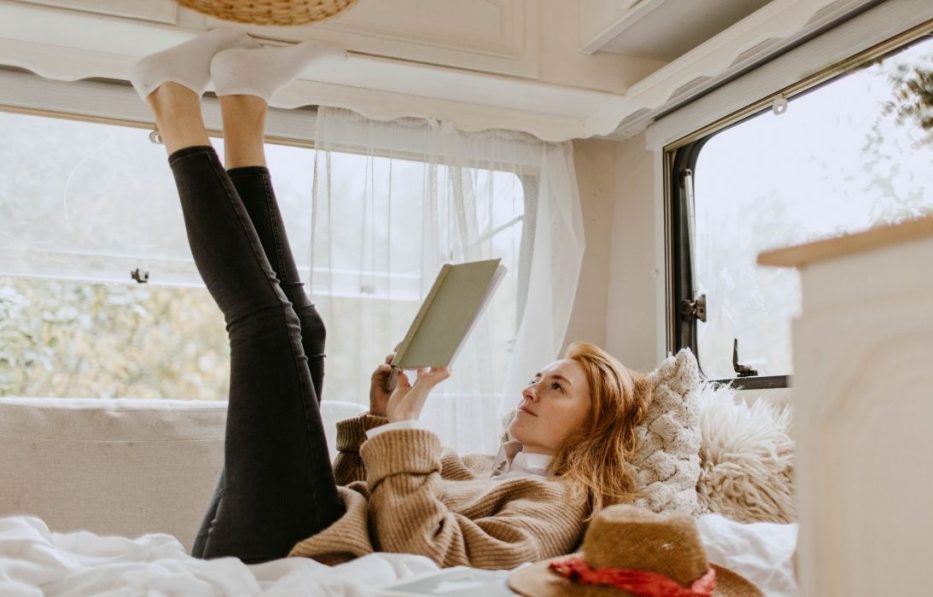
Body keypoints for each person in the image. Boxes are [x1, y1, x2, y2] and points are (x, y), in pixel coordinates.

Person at [129, 29, 650, 570]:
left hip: (281, 548)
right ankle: (244, 104)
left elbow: (423, 554)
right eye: (541, 376)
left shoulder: (558, 502)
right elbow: (351, 490)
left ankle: (171, 101)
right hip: (297, 531)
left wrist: (405, 430)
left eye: (557, 386)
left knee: (268, 327)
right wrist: (382, 420)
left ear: (596, 425)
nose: (532, 387)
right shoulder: (476, 468)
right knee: (306, 331)